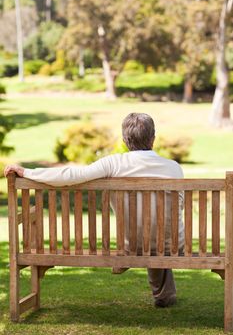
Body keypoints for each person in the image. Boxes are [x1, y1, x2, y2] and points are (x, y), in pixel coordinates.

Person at [5, 112, 184, 308]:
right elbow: (178, 207)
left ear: (125, 140)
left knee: (145, 238)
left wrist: (27, 172)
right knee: (158, 236)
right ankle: (164, 294)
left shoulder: (114, 163)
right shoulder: (173, 168)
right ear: (153, 138)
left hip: (132, 244)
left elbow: (72, 175)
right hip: (171, 245)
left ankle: (142, 273)